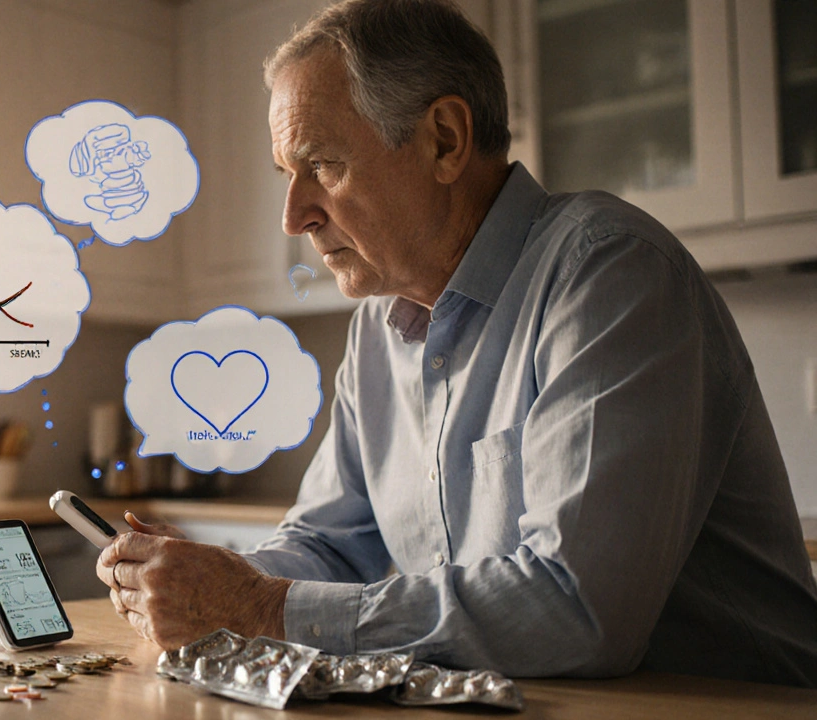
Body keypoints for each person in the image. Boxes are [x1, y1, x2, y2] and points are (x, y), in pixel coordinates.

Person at [97, 0, 817, 687]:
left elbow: (576, 608)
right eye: (288, 175)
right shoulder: (377, 331)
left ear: (444, 139)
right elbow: (329, 545)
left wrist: (260, 607)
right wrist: (211, 579)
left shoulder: (609, 271)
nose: (294, 216)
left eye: (321, 165)